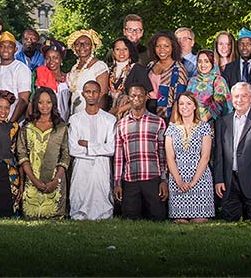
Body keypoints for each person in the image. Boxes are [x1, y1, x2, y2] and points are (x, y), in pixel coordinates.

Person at [213, 82, 251, 222]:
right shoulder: (223, 122)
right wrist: (219, 179)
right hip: (229, 180)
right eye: (236, 96)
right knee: (230, 223)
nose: (239, 100)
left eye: (244, 96)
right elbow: (219, 154)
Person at [113, 83, 169, 220]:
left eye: (140, 96)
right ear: (128, 98)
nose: (136, 99)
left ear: (146, 97)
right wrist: (117, 183)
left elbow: (163, 153)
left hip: (152, 177)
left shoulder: (158, 122)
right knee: (129, 219)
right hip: (130, 179)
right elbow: (119, 156)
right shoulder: (121, 124)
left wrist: (163, 180)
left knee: (158, 218)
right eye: (133, 96)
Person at [17, 87, 70, 219]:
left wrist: (55, 180)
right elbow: (22, 155)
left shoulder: (61, 127)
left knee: (53, 217)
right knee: (31, 216)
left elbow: (65, 156)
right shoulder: (27, 127)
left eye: (48, 102)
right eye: (41, 102)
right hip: (32, 179)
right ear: (36, 104)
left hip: (54, 180)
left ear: (53, 104)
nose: (44, 106)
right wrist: (34, 180)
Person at [68, 81, 116, 220]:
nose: (91, 95)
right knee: (80, 192)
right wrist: (99, 148)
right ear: (83, 94)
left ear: (100, 94)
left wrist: (87, 145)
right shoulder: (75, 119)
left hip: (102, 165)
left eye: (95, 92)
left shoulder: (109, 119)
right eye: (88, 92)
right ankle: (79, 215)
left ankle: (103, 215)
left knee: (102, 193)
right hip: (81, 166)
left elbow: (111, 148)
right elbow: (73, 149)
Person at [165, 92, 214, 222]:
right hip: (178, 179)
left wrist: (193, 182)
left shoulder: (204, 127)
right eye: (181, 104)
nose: (184, 107)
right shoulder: (171, 128)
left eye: (188, 103)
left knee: (199, 221)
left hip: (200, 179)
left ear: (194, 106)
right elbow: (170, 158)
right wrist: (179, 182)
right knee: (180, 221)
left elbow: (205, 157)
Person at [0, 32, 31, 122]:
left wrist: (10, 123)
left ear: (15, 49)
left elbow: (23, 100)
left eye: (10, 47)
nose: (5, 49)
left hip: (14, 122)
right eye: (2, 46)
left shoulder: (21, 69)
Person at [146, 31, 188, 121]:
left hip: (166, 115)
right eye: (158, 46)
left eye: (166, 46)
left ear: (173, 47)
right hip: (147, 113)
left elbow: (179, 99)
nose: (162, 49)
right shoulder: (150, 65)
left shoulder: (179, 69)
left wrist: (172, 123)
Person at [107, 36, 152, 120]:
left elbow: (147, 96)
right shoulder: (109, 70)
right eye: (117, 49)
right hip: (108, 115)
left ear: (130, 51)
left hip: (131, 117)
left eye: (125, 49)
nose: (121, 52)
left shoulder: (137, 69)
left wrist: (120, 109)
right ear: (113, 52)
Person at [66, 29, 109, 116]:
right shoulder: (74, 68)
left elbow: (102, 95)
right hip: (74, 113)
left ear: (92, 46)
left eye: (86, 43)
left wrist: (97, 116)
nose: (82, 46)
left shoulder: (99, 66)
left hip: (92, 114)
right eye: (78, 44)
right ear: (74, 47)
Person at [185, 49, 232, 121]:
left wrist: (204, 120)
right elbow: (187, 100)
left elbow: (220, 103)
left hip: (211, 122)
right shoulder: (192, 81)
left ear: (212, 63)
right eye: (200, 61)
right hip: (192, 120)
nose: (203, 65)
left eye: (206, 61)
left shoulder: (218, 80)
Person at [34, 39, 72, 120]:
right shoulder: (41, 76)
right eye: (48, 58)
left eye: (55, 57)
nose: (51, 61)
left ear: (61, 59)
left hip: (63, 122)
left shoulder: (68, 78)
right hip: (45, 121)